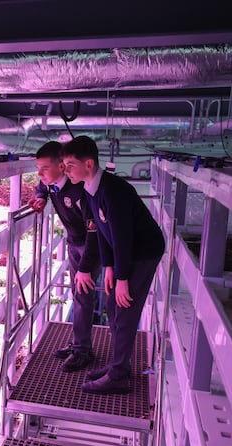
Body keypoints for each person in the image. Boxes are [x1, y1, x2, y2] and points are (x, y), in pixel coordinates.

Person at [60, 135, 165, 394]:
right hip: (126, 253)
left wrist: (122, 278)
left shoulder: (112, 190)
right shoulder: (92, 188)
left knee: (124, 310)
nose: (67, 170)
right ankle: (119, 365)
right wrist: (108, 267)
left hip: (143, 252)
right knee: (111, 304)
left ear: (88, 164)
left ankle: (118, 375)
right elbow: (101, 230)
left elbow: (122, 237)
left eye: (70, 165)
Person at [29, 141, 101, 371]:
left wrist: (86, 267)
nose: (40, 174)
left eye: (44, 169)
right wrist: (40, 195)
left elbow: (95, 231)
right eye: (38, 169)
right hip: (74, 243)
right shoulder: (52, 184)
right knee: (78, 295)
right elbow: (43, 186)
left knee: (83, 295)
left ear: (62, 166)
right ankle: (79, 344)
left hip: (93, 247)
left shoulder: (80, 190)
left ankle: (82, 351)